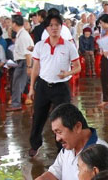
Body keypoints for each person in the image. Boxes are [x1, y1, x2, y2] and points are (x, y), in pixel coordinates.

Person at [27, 103, 108, 180]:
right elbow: (55, 173)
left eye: (59, 132)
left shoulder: (100, 151)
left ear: (77, 127)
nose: (57, 139)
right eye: (55, 133)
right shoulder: (68, 148)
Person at [27, 14, 81, 157]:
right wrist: (32, 87)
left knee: (62, 120)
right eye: (51, 25)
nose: (54, 28)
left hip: (61, 87)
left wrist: (67, 73)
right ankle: (35, 145)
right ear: (47, 28)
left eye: (57, 25)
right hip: (43, 86)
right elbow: (35, 68)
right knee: (38, 117)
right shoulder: (40, 45)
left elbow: (78, 67)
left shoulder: (69, 45)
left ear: (61, 27)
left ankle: (61, 148)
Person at [7, 14, 34, 112]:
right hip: (21, 62)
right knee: (17, 82)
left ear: (14, 24)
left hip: (24, 62)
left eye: (11, 22)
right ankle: (16, 103)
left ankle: (16, 104)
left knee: (18, 83)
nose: (10, 25)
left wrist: (29, 66)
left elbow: (28, 54)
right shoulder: (21, 34)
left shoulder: (23, 36)